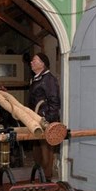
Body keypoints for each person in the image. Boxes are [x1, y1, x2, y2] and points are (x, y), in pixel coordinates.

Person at [28, 52, 61, 181]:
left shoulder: (49, 80)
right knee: (37, 152)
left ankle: (46, 180)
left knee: (46, 153)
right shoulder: (36, 79)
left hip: (45, 122)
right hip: (36, 121)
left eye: (34, 60)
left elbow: (54, 103)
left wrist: (46, 120)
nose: (31, 62)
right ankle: (38, 177)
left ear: (43, 64)